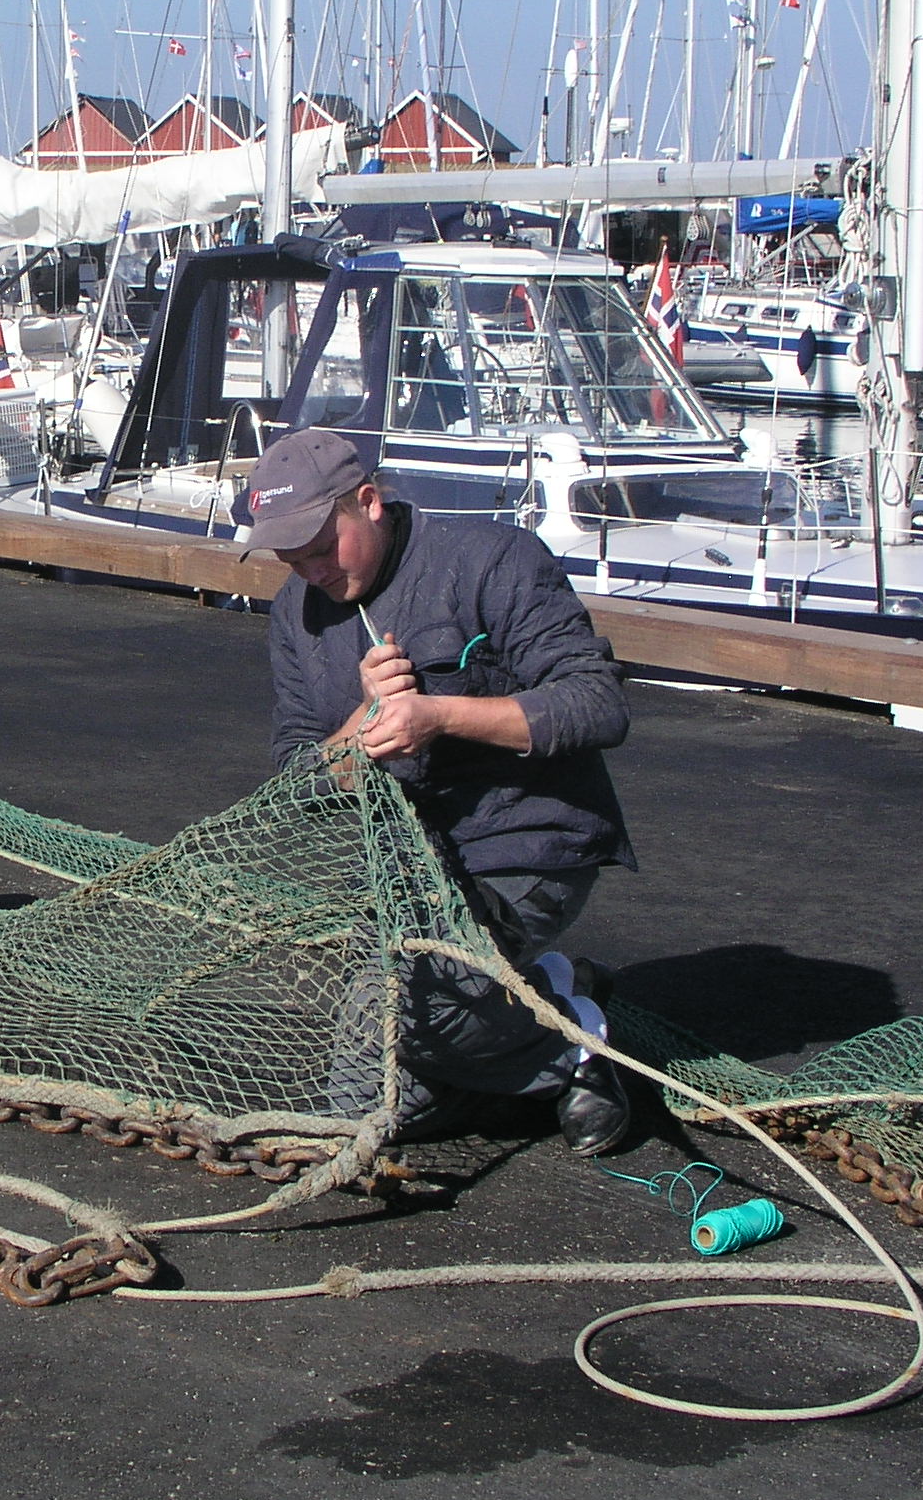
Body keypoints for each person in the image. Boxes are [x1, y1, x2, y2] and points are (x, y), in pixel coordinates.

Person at [244, 427, 636, 1158]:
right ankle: (538, 1003)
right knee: (364, 1103)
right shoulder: (296, 612)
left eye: (321, 546)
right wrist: (361, 726)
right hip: (402, 868)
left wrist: (440, 716)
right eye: (289, 557)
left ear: (369, 502)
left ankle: (575, 1040)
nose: (310, 570)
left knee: (418, 1012)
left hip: (524, 843)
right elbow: (297, 775)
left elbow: (597, 704)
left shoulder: (492, 559)